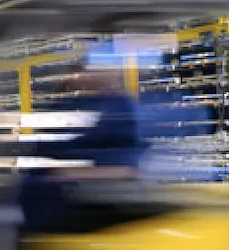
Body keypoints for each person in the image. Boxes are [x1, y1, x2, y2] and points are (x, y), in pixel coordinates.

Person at [17, 60, 152, 235]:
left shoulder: (120, 107)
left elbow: (127, 166)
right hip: (59, 191)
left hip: (92, 191)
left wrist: (75, 173)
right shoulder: (67, 106)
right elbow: (44, 150)